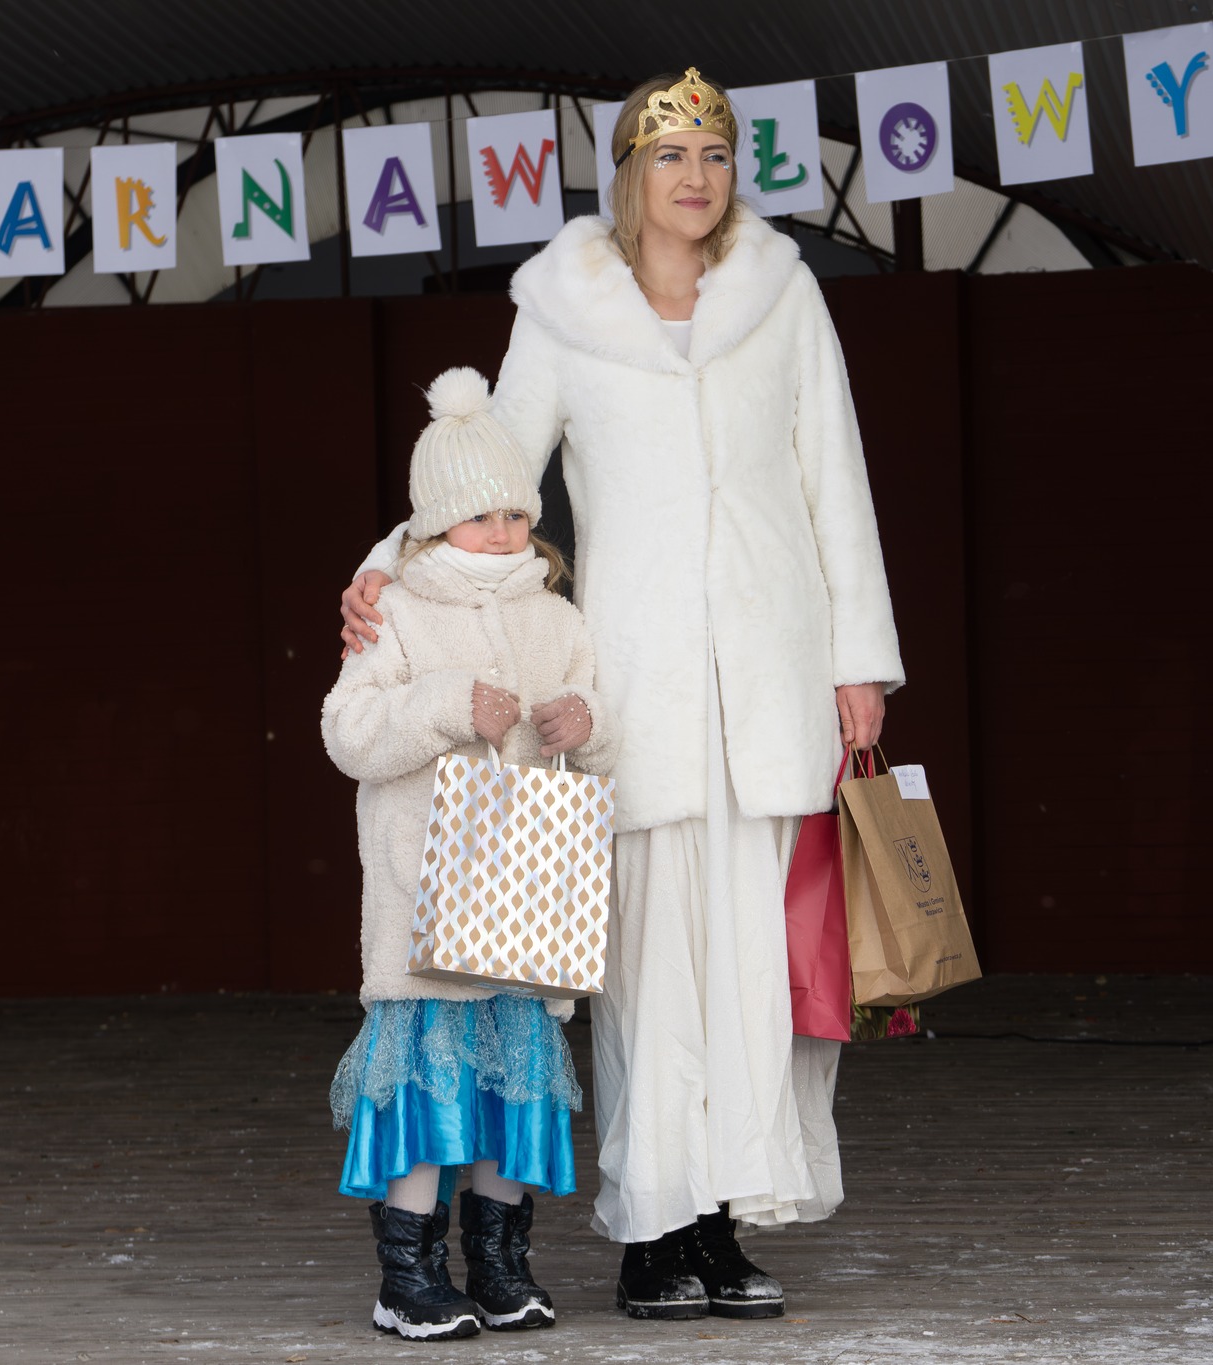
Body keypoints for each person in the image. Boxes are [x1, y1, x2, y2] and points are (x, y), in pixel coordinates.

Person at [341, 68, 903, 1321]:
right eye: (670, 155)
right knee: (649, 969)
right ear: (630, 175)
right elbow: (488, 468)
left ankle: (728, 1219)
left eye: (714, 153)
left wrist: (856, 660)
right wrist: (383, 566)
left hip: (770, 673)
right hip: (630, 687)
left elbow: (836, 477)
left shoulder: (783, 294)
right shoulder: (561, 309)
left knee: (755, 963)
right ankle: (656, 1229)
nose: (694, 177)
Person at [321, 367, 618, 1340]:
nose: (500, 531)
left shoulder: (556, 618)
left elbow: (599, 725)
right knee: (422, 1087)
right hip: (426, 910)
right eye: (478, 515)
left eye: (514, 513)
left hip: (524, 903)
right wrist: (446, 704)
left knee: (509, 1092)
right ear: (435, 520)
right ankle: (407, 1275)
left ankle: (497, 1265)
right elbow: (348, 730)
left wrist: (588, 723)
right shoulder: (396, 610)